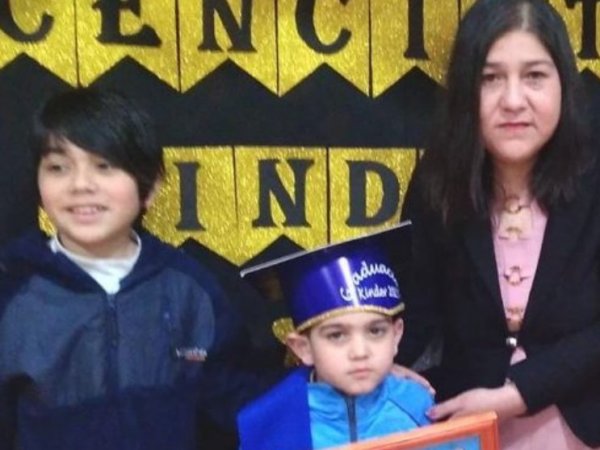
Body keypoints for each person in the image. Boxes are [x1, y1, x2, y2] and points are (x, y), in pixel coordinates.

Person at [0, 87, 262, 450]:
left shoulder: (189, 287)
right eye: (58, 168)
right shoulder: (12, 288)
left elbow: (237, 402)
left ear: (150, 187)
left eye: (104, 166)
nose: (81, 185)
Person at [397, 0, 600, 448]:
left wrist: (516, 395)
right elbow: (417, 314)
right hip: (467, 433)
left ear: (564, 83)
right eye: (490, 78)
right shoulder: (438, 182)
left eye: (534, 76)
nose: (512, 100)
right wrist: (379, 362)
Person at [237, 223, 434, 450]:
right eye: (337, 335)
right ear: (303, 348)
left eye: (375, 331)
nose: (360, 352)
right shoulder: (272, 425)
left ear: (396, 335)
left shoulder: (417, 406)